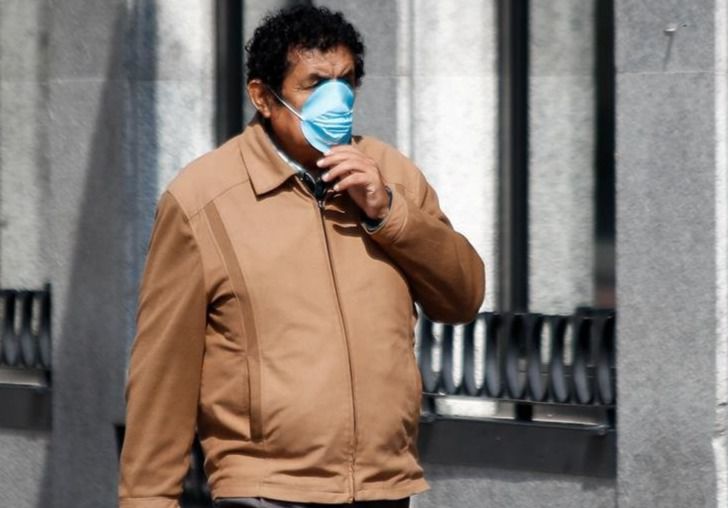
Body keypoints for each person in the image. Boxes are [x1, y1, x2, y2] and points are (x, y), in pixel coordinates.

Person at [117, 5, 485, 508]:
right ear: (263, 97)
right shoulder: (202, 199)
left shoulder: (392, 176)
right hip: (266, 492)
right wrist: (147, 499)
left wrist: (389, 213)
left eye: (346, 81)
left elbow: (463, 297)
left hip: (384, 486)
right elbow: (163, 370)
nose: (336, 99)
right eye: (314, 84)